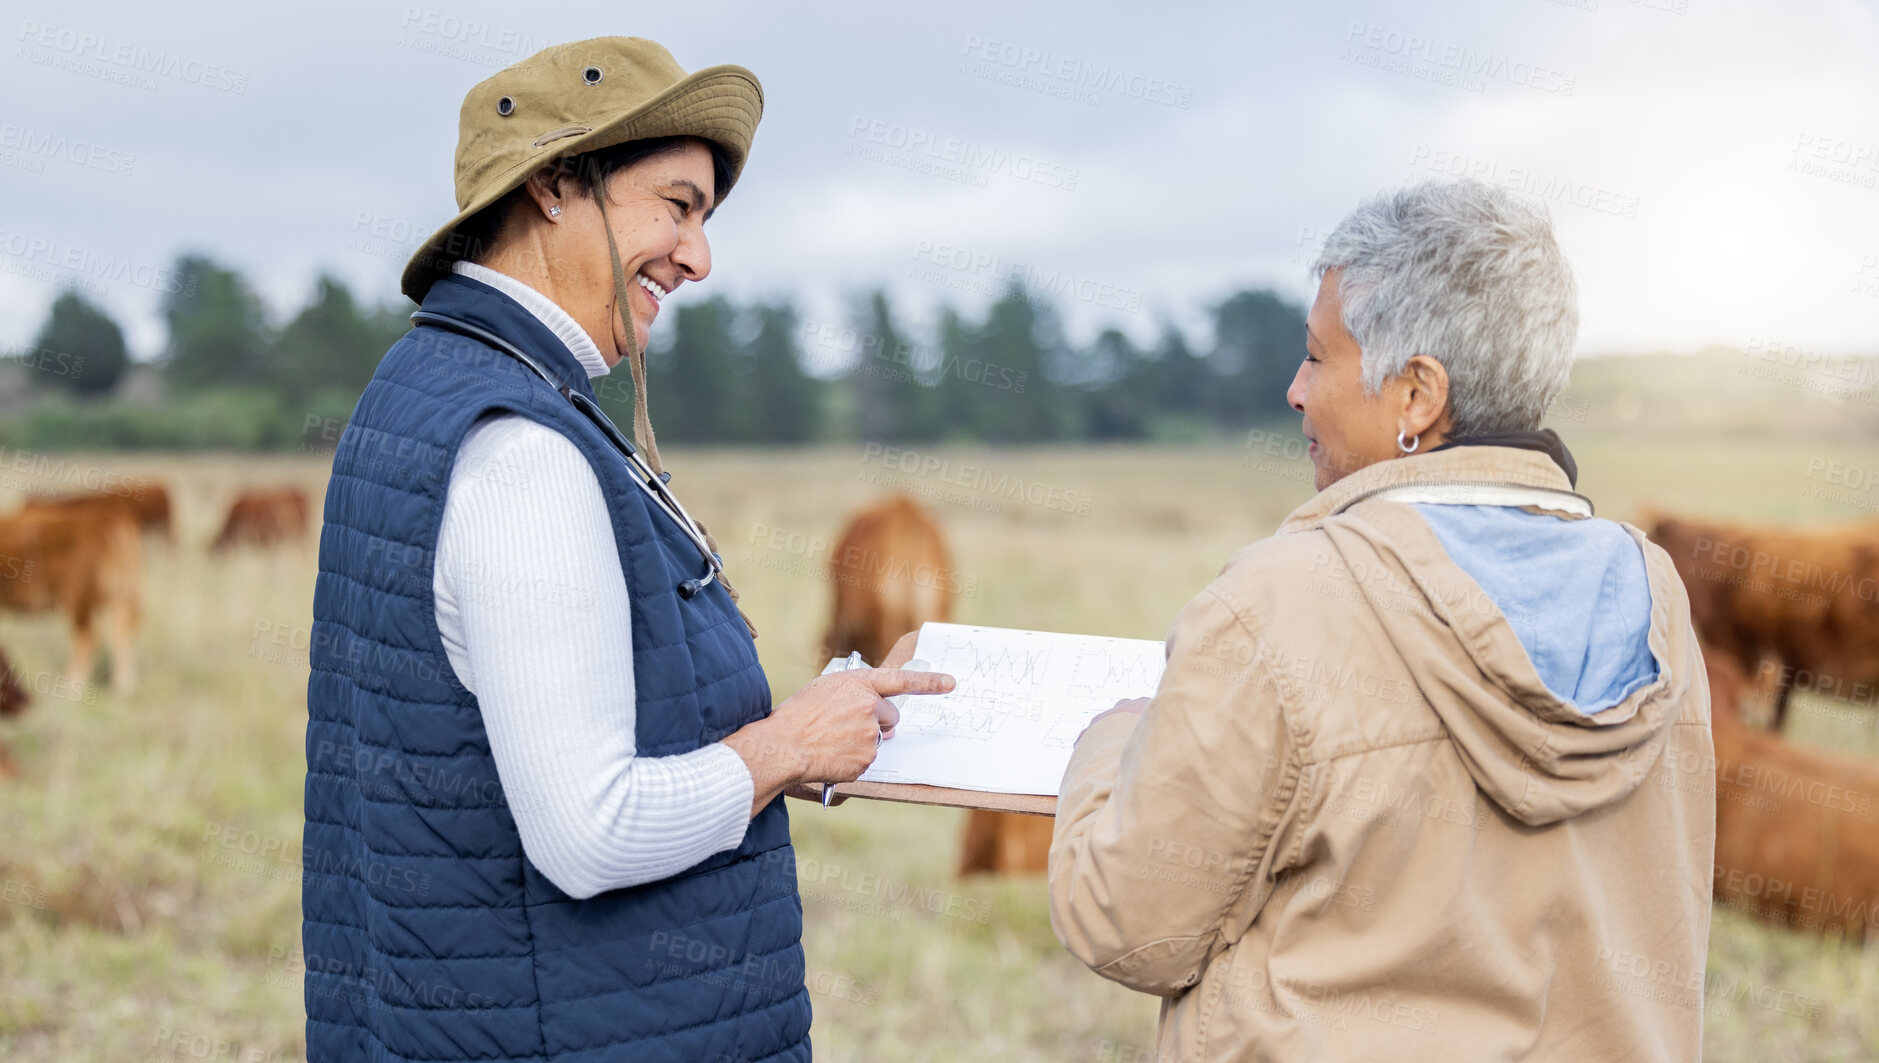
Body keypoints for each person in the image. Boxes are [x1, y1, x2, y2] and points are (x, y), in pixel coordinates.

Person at [301, 37, 951, 1063]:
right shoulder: (521, 454)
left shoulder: (427, 383)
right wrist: (785, 749)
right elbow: (588, 831)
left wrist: (819, 725)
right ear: (556, 186)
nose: (699, 256)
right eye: (677, 205)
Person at [1048, 179, 1714, 1061]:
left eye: (1317, 357)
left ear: (1415, 397)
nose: (1293, 390)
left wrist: (1105, 746)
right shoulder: (1652, 592)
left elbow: (1129, 922)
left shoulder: (1274, 602)